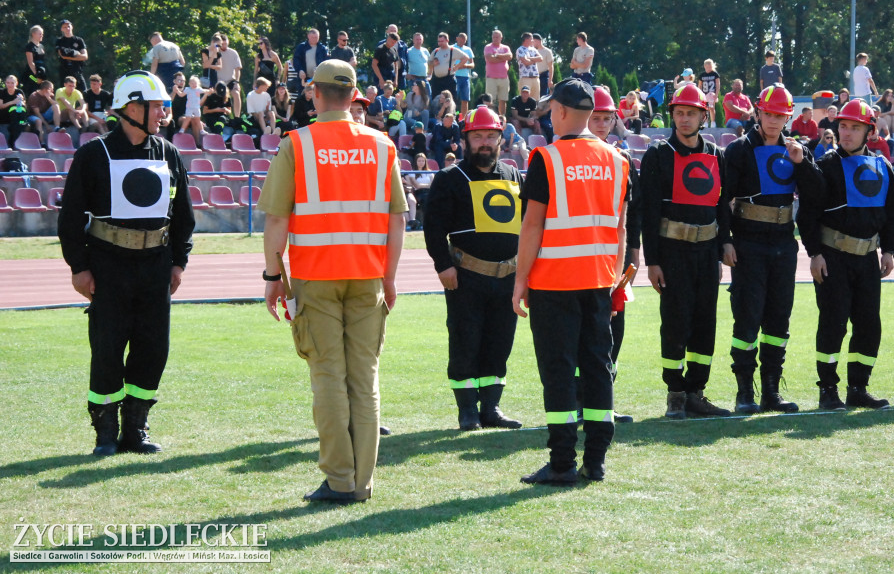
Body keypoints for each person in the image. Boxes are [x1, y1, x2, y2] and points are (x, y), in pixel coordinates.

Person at [259, 59, 406, 504]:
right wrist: (390, 277)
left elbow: (277, 220)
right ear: (353, 95)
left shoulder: (297, 144)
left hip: (316, 277)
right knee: (365, 379)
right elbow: (397, 220)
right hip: (368, 277)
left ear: (315, 93)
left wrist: (272, 276)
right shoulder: (382, 146)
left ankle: (340, 479)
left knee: (328, 377)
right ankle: (361, 483)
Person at [58, 70, 195, 456]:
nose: (163, 114)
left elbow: (183, 216)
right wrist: (79, 268)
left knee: (154, 348)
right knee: (107, 347)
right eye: (156, 106)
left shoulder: (168, 152)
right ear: (132, 107)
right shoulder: (92, 154)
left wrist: (178, 263)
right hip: (108, 268)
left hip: (156, 267)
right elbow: (70, 218)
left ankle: (135, 429)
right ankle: (105, 432)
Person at [514, 78, 629, 485]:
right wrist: (615, 277)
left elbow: (532, 225)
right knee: (598, 367)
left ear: (560, 112)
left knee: (559, 371)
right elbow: (620, 229)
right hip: (598, 281)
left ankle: (562, 461)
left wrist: (520, 280)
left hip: (553, 281)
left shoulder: (546, 158)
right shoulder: (618, 160)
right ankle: (595, 459)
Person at [424, 106, 524, 430]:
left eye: (490, 136)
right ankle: (467, 410)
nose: (485, 142)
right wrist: (443, 266)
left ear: (500, 138)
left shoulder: (513, 174)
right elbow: (433, 227)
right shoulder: (449, 178)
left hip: (507, 278)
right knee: (465, 342)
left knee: (500, 343)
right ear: (466, 140)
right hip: (465, 278)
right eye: (478, 136)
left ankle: (491, 408)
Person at [797, 98, 894, 411]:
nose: (847, 133)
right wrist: (815, 253)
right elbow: (807, 215)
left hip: (868, 259)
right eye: (843, 126)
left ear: (869, 131)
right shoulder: (825, 165)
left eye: (855, 127)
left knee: (869, 324)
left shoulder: (883, 166)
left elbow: (892, 213)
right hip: (833, 257)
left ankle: (859, 388)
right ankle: (828, 389)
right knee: (833, 324)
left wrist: (889, 251)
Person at [640, 83, 731, 420]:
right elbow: (648, 212)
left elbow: (723, 206)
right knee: (675, 323)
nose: (684, 119)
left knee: (705, 322)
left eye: (690, 113)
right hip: (673, 253)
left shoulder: (716, 155)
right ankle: (675, 394)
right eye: (679, 113)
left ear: (703, 116)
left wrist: (725, 245)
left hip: (707, 254)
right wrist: (653, 261)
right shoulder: (658, 155)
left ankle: (697, 392)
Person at [723, 84, 815, 414]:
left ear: (787, 118)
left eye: (780, 116)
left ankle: (772, 391)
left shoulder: (798, 149)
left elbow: (815, 192)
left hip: (783, 245)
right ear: (758, 113)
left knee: (778, 320)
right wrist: (726, 240)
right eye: (769, 114)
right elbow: (722, 200)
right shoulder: (738, 150)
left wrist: (802, 164)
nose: (774, 121)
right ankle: (744, 391)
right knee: (746, 319)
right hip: (748, 245)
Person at [588, 87, 641, 423]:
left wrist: (632, 260)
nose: (602, 124)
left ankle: (604, 400)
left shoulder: (622, 161)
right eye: (596, 118)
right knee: (587, 336)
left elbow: (630, 218)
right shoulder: (569, 159)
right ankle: (582, 403)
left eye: (607, 118)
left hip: (615, 262)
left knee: (614, 331)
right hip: (582, 264)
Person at [430, 32, 468, 101]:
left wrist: (457, 66)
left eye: (442, 41)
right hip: (436, 80)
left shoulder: (452, 50)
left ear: (447, 40)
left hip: (448, 80)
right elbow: (429, 62)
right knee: (435, 100)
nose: (440, 43)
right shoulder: (436, 51)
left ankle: (452, 112)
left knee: (451, 100)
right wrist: (433, 63)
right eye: (439, 41)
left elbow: (465, 58)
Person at [484, 30, 514, 117]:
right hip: (491, 78)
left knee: (503, 100)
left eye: (497, 37)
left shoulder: (505, 48)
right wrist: (503, 58)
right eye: (493, 37)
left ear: (501, 37)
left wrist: (497, 55)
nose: (495, 39)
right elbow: (490, 59)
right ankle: (490, 117)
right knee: (489, 100)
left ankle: (502, 117)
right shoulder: (488, 47)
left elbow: (510, 56)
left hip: (504, 77)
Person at [55, 19, 89, 92]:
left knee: (84, 92)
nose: (67, 28)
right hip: (65, 71)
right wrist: (77, 55)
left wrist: (73, 55)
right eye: (64, 27)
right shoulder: (59, 41)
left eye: (68, 26)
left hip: (77, 70)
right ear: (61, 29)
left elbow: (85, 56)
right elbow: (62, 55)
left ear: (72, 27)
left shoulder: (79, 40)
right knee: (64, 92)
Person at [54, 76, 87, 145]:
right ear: (65, 85)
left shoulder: (77, 92)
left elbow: (83, 103)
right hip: (61, 115)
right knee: (70, 109)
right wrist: (76, 112)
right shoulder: (60, 91)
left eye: (73, 86)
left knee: (81, 109)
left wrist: (81, 111)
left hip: (72, 115)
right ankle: (79, 128)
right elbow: (66, 103)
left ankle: (87, 128)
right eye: (70, 86)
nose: (72, 88)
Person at [515, 32, 544, 99]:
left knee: (536, 100)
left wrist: (530, 58)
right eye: (531, 39)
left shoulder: (533, 49)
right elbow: (526, 62)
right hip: (525, 78)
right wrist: (535, 59)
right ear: (526, 39)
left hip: (535, 77)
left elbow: (540, 58)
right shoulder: (520, 50)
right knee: (525, 99)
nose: (533, 41)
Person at [21, 25, 47, 97]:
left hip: (41, 72)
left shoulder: (42, 46)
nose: (42, 35)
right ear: (33, 34)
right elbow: (30, 62)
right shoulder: (29, 46)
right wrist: (36, 76)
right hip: (32, 74)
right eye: (40, 33)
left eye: (42, 34)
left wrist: (41, 75)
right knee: (33, 90)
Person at [454, 32, 476, 118]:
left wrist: (464, 66)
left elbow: (472, 64)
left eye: (464, 41)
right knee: (454, 99)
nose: (462, 42)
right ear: (457, 39)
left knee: (465, 100)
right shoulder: (452, 48)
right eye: (461, 40)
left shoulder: (468, 50)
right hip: (454, 76)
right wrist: (456, 67)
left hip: (465, 77)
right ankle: (454, 117)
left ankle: (463, 119)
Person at [0, 75, 27, 143]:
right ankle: (13, 141)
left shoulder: (19, 92)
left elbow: (25, 106)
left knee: (20, 117)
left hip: (16, 117)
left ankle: (12, 140)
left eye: (12, 83)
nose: (10, 85)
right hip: (4, 115)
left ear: (16, 83)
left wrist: (21, 101)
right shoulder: (2, 91)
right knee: (15, 114)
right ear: (5, 83)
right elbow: (1, 106)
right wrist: (13, 102)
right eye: (8, 82)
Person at [178, 76, 204, 142]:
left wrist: (207, 94)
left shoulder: (196, 90)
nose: (181, 82)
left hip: (192, 112)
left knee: (195, 119)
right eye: (179, 80)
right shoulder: (186, 90)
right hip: (179, 116)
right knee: (187, 119)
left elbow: (198, 103)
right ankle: (182, 140)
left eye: (183, 81)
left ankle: (196, 142)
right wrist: (176, 91)